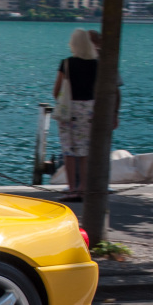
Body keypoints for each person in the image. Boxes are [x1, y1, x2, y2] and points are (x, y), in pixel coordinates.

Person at [53, 27, 98, 202]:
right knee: (84, 151)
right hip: (89, 109)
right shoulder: (96, 64)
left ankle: (72, 188)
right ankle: (83, 188)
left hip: (69, 109)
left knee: (68, 151)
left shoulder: (67, 63)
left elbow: (56, 90)